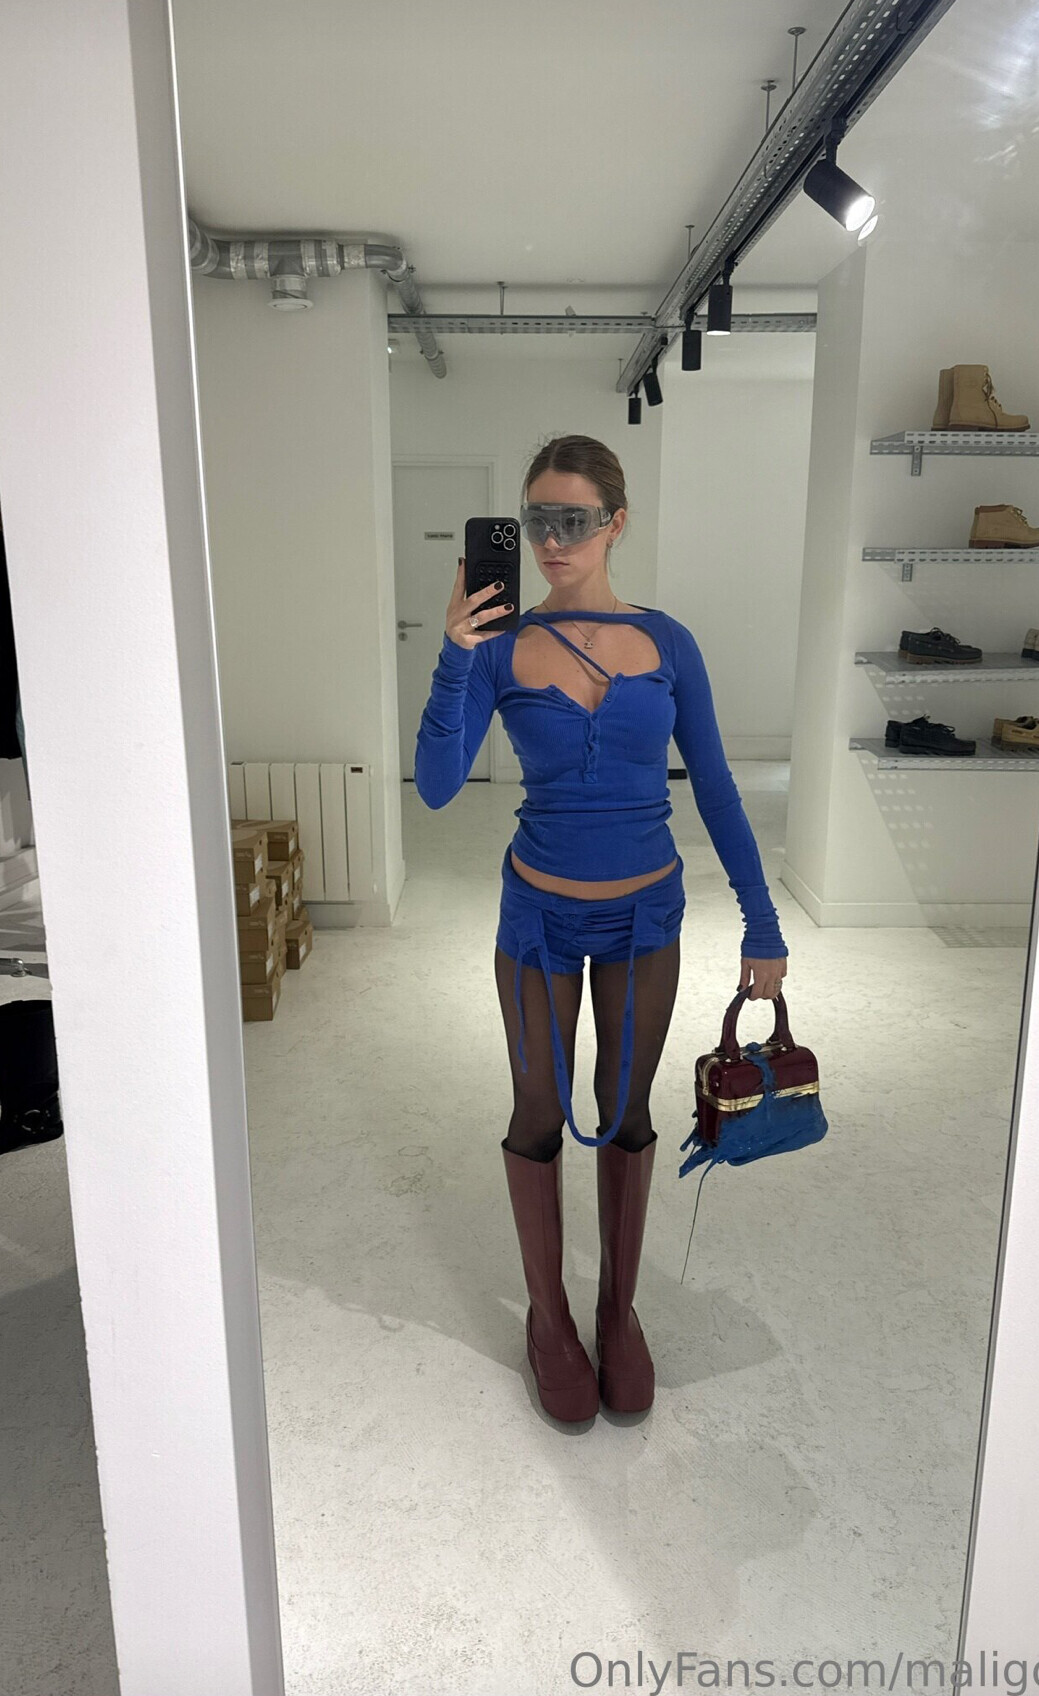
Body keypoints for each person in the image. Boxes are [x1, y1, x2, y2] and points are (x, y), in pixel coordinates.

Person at [414, 434, 788, 1425]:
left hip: (644, 917)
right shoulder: (498, 644)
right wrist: (454, 656)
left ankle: (616, 1314)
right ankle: (549, 1321)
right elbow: (439, 786)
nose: (551, 540)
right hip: (536, 918)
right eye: (537, 520)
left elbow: (715, 787)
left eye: (573, 520)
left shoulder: (668, 642)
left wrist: (762, 924)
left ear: (616, 524)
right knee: (538, 1108)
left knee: (626, 1108)